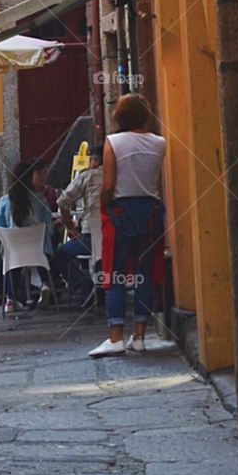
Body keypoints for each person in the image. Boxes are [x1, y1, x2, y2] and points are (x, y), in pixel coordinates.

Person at [89, 94, 165, 358]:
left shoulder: (113, 142)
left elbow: (109, 184)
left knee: (116, 274)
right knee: (145, 273)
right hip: (151, 211)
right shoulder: (159, 143)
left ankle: (115, 336)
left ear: (119, 116)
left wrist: (102, 203)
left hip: (121, 210)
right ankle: (141, 336)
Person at [0, 159, 57, 313]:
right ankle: (46, 283)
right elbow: (49, 229)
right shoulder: (40, 200)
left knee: (9, 256)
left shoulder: (4, 201)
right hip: (38, 251)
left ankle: (9, 298)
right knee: (47, 245)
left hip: (14, 252)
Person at [55, 146, 103, 293]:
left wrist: (70, 227)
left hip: (90, 238)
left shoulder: (86, 176)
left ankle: (82, 283)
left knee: (60, 253)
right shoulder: (119, 176)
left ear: (94, 161)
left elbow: (63, 202)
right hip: (116, 237)